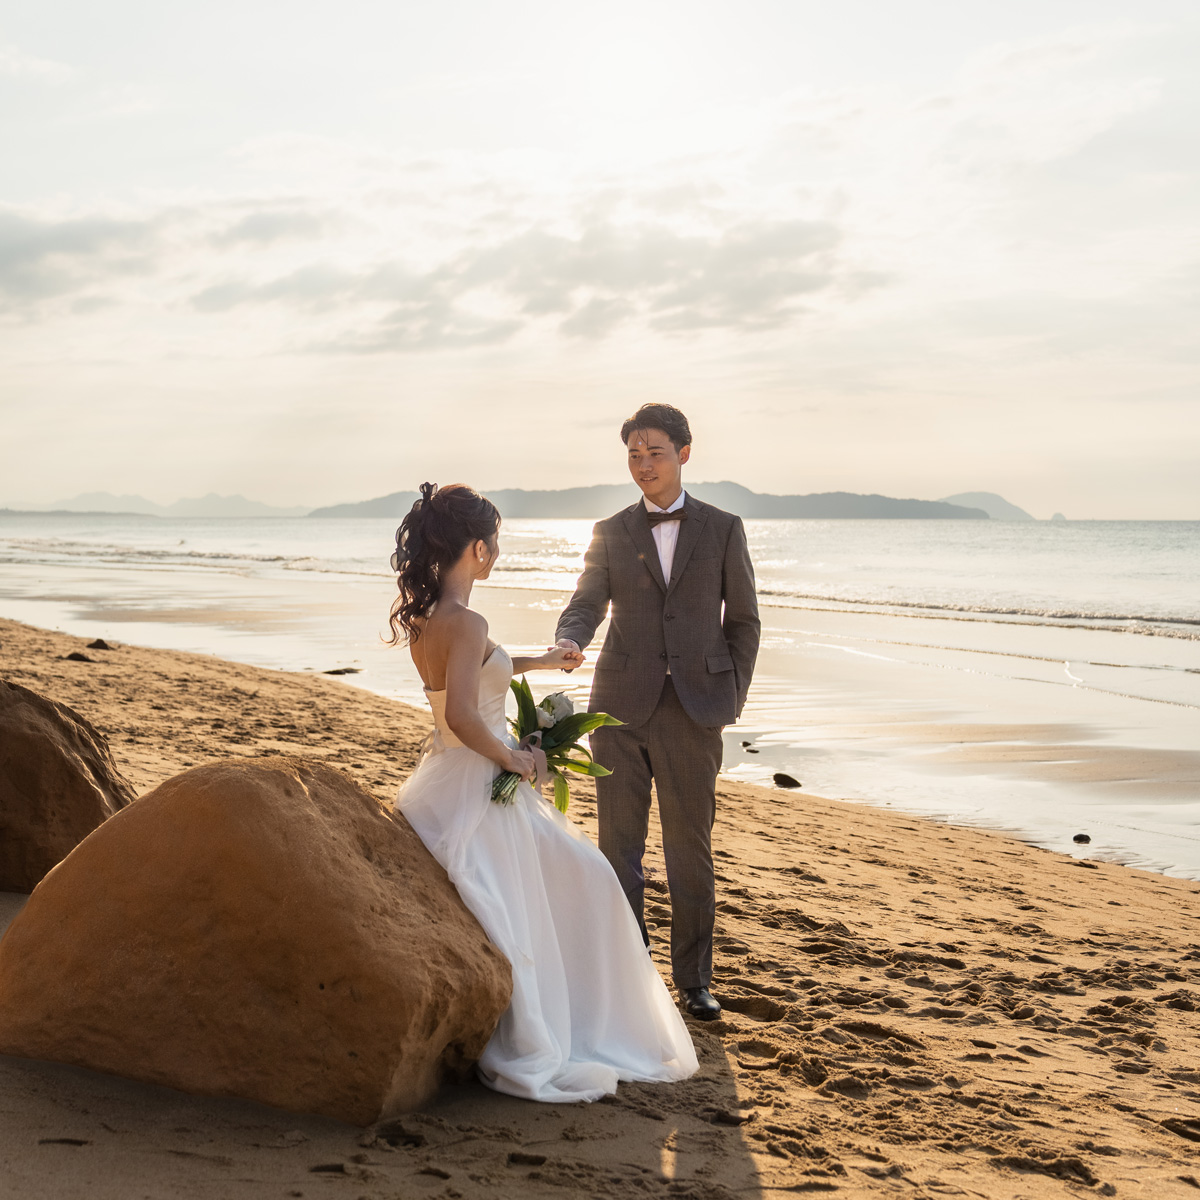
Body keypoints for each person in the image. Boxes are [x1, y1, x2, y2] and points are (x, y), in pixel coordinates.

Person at [390, 481, 697, 1103]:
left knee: (553, 884)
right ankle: (572, 1027)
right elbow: (465, 719)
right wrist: (520, 759)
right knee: (585, 878)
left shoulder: (432, 619)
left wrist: (545, 661)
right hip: (479, 778)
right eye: (494, 541)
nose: (496, 551)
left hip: (444, 777)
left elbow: (476, 673)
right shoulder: (468, 620)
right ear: (478, 548)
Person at [555, 405, 760, 1022]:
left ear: (684, 454)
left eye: (656, 454)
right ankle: (629, 969)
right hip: (618, 707)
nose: (643, 465)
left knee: (688, 850)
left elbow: (744, 623)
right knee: (619, 846)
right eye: (634, 455)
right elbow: (585, 601)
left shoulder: (724, 528)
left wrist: (728, 700)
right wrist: (570, 640)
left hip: (695, 711)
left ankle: (695, 981)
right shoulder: (611, 529)